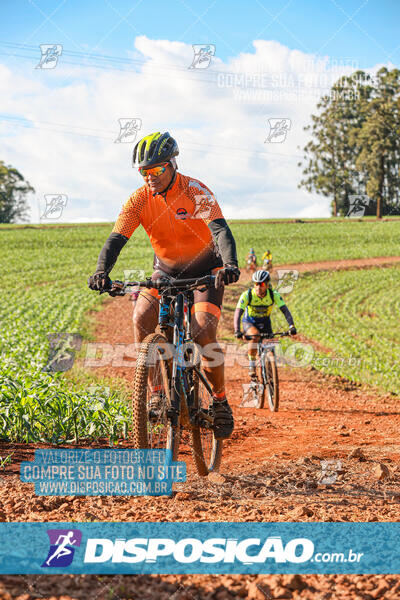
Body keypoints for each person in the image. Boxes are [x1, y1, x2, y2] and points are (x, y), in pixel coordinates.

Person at [88, 131, 239, 439]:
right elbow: (116, 240)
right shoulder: (139, 200)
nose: (149, 177)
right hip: (165, 273)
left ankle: (220, 402)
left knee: (203, 331)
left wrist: (230, 265)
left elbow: (220, 229)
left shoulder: (195, 191)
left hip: (205, 271)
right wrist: (102, 271)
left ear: (172, 164)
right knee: (142, 317)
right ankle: (157, 391)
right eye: (144, 172)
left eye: (156, 170)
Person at [233, 269, 296, 378]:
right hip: (250, 322)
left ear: (267, 285)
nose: (258, 287)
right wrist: (237, 330)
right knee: (255, 336)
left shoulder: (273, 295)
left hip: (265, 323)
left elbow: (285, 310)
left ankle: (270, 372)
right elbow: (238, 313)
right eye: (256, 284)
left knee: (270, 345)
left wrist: (291, 326)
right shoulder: (247, 295)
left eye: (261, 284)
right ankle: (252, 365)